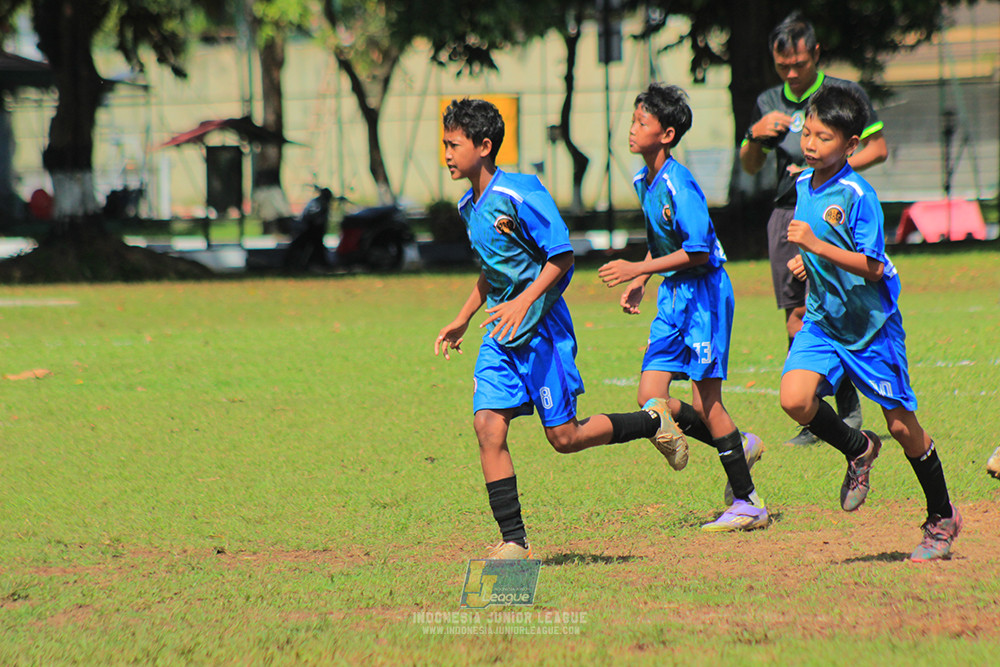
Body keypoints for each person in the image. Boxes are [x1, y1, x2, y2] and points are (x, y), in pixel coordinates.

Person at [433, 98, 682, 559]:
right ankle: (514, 541)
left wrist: (524, 302)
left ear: (484, 146)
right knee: (488, 427)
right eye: (444, 144)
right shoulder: (471, 207)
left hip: (543, 331)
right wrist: (464, 316)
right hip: (500, 336)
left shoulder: (522, 193)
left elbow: (562, 257)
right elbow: (493, 271)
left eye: (453, 144)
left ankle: (652, 421)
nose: (446, 154)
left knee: (564, 438)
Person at [780, 85, 961, 562]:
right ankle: (858, 447)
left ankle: (942, 515)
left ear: (851, 145)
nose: (811, 143)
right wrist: (807, 263)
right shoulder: (802, 185)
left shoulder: (860, 194)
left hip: (870, 328)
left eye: (824, 136)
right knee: (794, 399)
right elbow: (816, 241)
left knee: (902, 428)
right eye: (808, 132)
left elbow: (873, 265)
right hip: (823, 322)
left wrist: (816, 247)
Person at [598, 83, 769, 532]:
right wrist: (642, 280)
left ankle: (749, 503)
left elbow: (697, 251)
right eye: (633, 121)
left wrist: (638, 265)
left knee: (705, 401)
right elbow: (663, 244)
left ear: (667, 134)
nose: (632, 130)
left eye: (642, 123)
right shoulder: (643, 181)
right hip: (673, 295)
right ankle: (739, 444)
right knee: (649, 398)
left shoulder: (679, 182)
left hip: (705, 296)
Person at [739, 11, 888, 446]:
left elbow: (877, 148)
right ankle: (825, 413)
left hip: (833, 213)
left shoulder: (843, 95)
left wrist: (826, 169)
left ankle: (850, 406)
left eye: (799, 63)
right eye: (782, 65)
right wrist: (754, 135)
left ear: (816, 54)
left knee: (841, 308)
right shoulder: (768, 102)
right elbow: (750, 166)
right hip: (789, 216)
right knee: (795, 317)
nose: (791, 72)